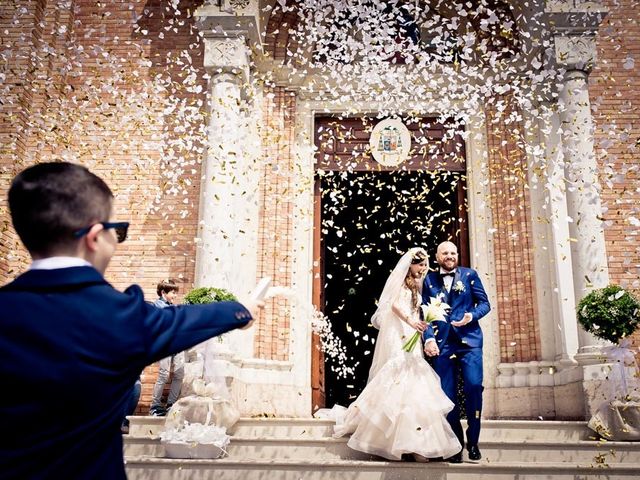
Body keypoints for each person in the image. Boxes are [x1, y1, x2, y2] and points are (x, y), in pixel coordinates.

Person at [0, 162, 261, 480]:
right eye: (118, 230)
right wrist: (240, 309)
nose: (117, 240)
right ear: (95, 237)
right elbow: (183, 321)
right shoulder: (120, 317)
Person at [333, 247, 461, 461]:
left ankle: (418, 443)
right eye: (420, 265)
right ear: (411, 264)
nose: (423, 269)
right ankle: (394, 441)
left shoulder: (420, 285)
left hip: (413, 333)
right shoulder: (400, 281)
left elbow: (422, 308)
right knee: (399, 378)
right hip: (398, 333)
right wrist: (410, 321)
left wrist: (423, 323)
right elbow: (391, 304)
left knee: (416, 383)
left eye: (425, 265)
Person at [422, 241, 491, 463]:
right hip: (443, 345)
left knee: (473, 387)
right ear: (437, 256)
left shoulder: (470, 275)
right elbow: (423, 312)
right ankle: (456, 445)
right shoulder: (429, 280)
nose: (450, 256)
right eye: (445, 253)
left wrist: (471, 316)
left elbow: (484, 303)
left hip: (469, 342)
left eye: (453, 252)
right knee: (447, 397)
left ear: (457, 255)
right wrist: (429, 338)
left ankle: (473, 441)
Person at [149, 279, 184, 416]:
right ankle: (155, 406)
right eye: (173, 292)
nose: (175, 295)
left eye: (176, 292)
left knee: (179, 374)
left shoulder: (173, 306)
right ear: (163, 292)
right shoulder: (156, 306)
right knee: (163, 374)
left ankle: (171, 404)